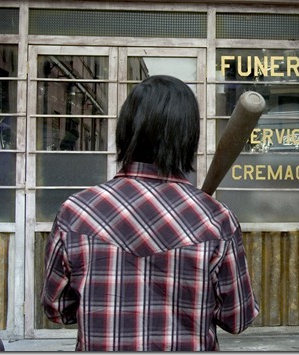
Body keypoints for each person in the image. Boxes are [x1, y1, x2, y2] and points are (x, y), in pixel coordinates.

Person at [40, 75, 259, 351]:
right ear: (189, 138)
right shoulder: (216, 219)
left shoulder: (76, 213)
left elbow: (58, 309)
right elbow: (237, 318)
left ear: (124, 131)